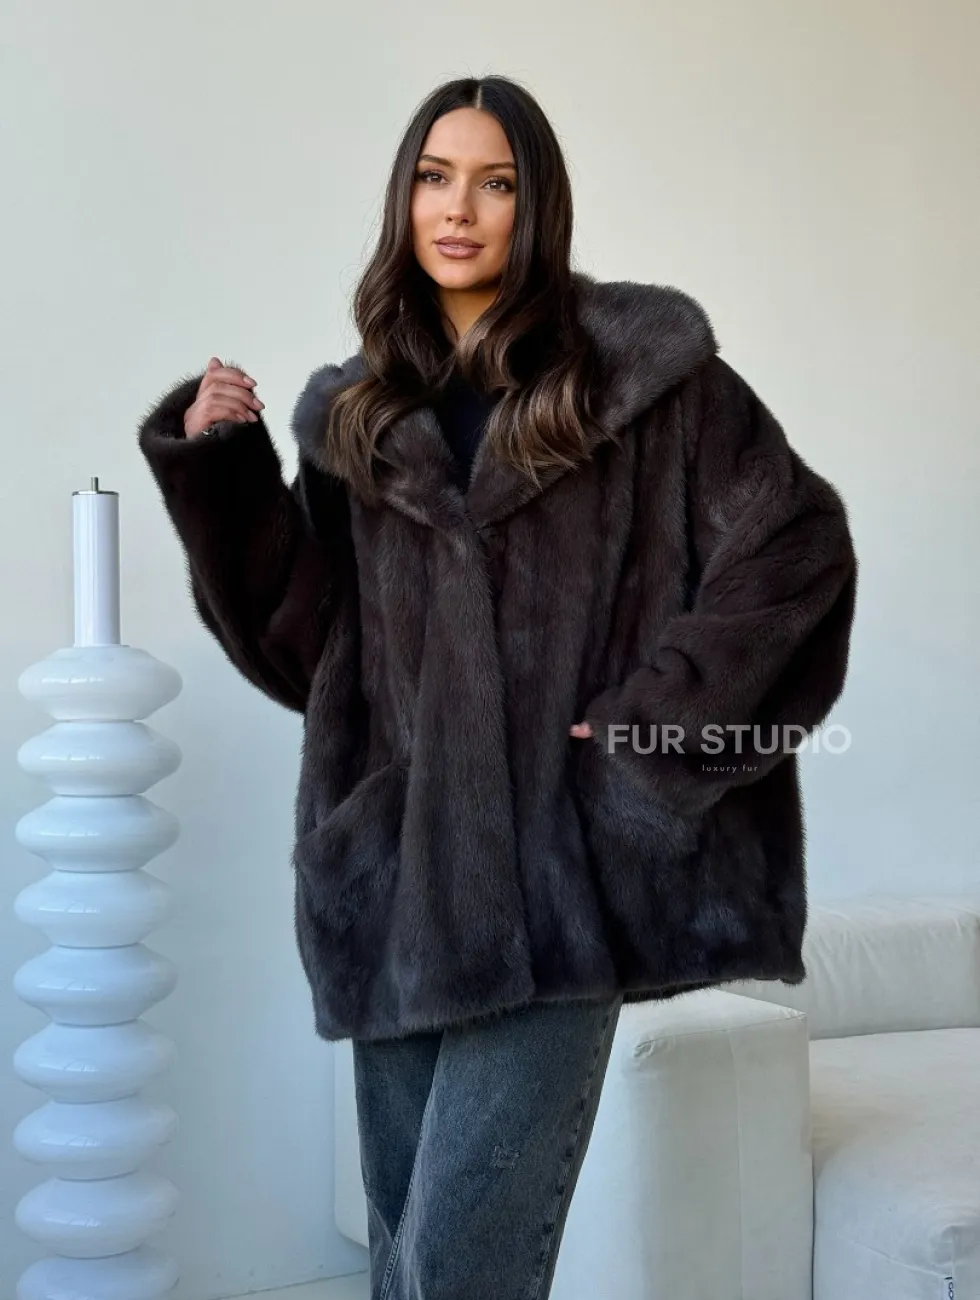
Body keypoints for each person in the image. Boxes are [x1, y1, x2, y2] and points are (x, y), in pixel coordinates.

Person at [137, 74, 857, 1300]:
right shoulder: (360, 415)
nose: (457, 208)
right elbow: (308, 654)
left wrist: (648, 728)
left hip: (562, 885)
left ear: (537, 205)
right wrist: (225, 474)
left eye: (494, 182)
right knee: (402, 1259)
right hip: (396, 882)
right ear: (403, 200)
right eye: (434, 177)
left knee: (462, 1266)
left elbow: (794, 547)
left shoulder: (643, 381)